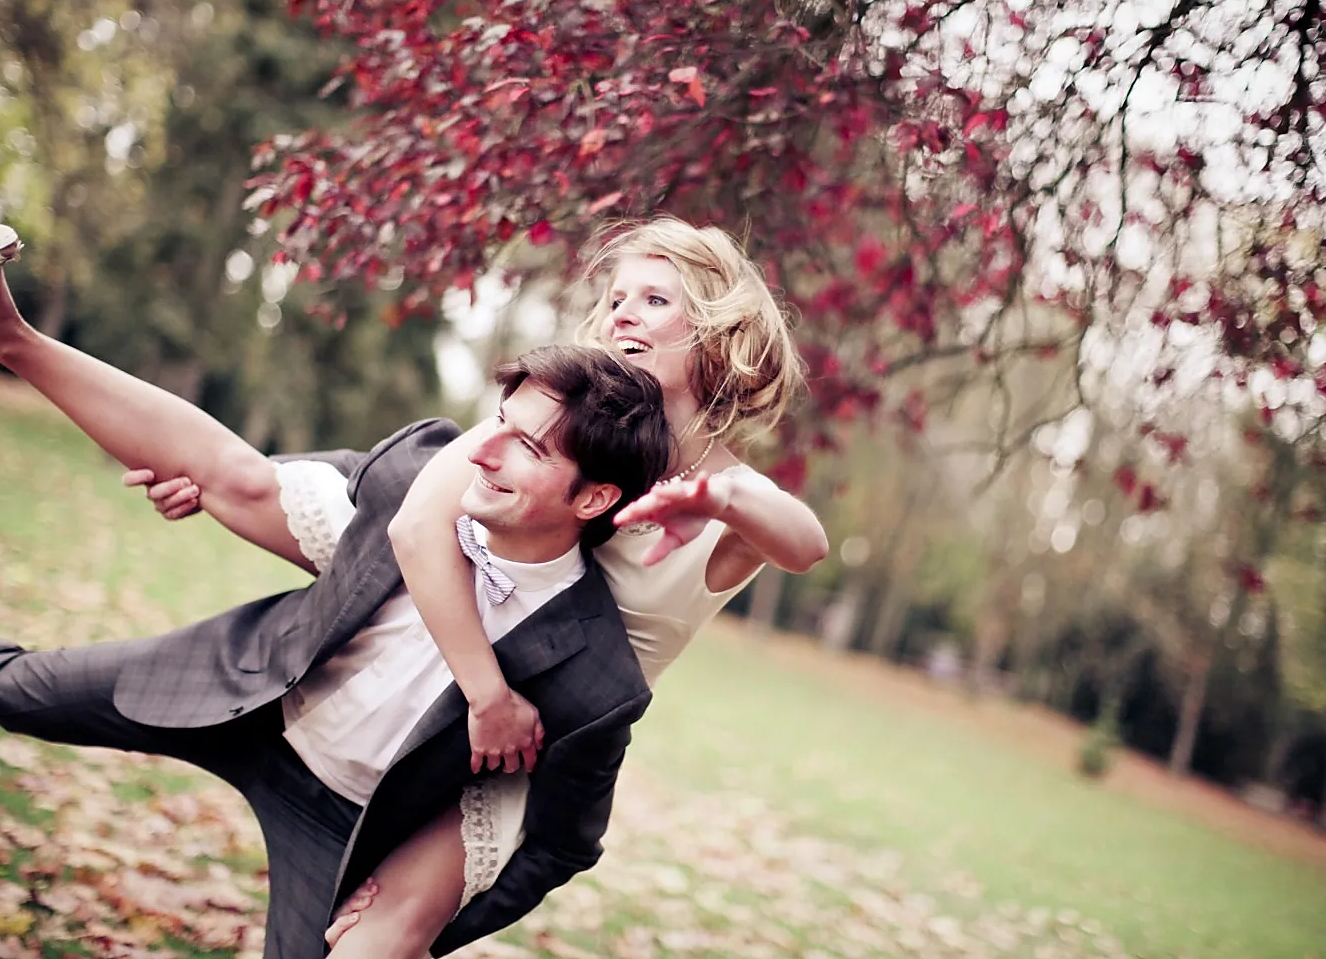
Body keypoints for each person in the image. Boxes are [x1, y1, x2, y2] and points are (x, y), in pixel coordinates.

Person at [0, 243, 677, 958]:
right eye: (497, 423)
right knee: (4, 685)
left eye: (527, 449)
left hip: (343, 823)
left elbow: (560, 847)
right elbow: (256, 472)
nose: (486, 451)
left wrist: (432, 930)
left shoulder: (599, 680)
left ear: (594, 498)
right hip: (250, 692)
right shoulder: (419, 475)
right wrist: (194, 485)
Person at [131, 218, 831, 953]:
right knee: (239, 478)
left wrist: (722, 500)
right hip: (439, 687)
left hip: (518, 759)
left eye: (655, 300)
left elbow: (807, 546)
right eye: (618, 296)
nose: (623, 311)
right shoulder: (554, 421)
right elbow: (410, 514)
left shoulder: (727, 503)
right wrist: (202, 484)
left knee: (376, 941)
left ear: (720, 330)